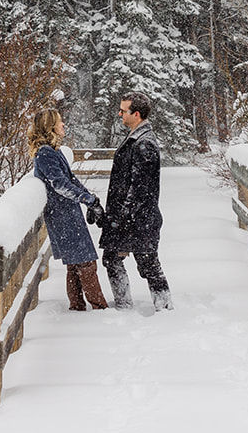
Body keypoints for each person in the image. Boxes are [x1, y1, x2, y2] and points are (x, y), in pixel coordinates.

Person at [28, 108, 108, 311]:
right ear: (50, 127)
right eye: (60, 122)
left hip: (67, 213)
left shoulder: (53, 151)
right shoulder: (45, 153)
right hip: (62, 216)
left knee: (75, 264)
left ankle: (78, 307)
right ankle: (99, 308)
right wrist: (87, 200)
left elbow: (71, 180)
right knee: (86, 263)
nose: (64, 125)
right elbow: (60, 184)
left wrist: (92, 200)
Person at [99, 91, 171, 311]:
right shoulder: (134, 138)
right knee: (112, 257)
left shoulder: (144, 143)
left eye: (123, 111)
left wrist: (124, 217)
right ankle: (124, 304)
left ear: (136, 114)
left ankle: (164, 306)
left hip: (139, 218)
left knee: (147, 262)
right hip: (129, 217)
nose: (119, 113)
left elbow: (141, 188)